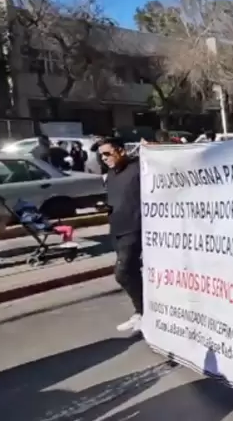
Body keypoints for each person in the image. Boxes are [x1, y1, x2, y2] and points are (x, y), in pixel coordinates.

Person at [99, 138, 144, 332]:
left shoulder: (138, 167)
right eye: (101, 155)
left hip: (134, 228)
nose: (104, 158)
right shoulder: (110, 174)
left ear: (121, 151)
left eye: (107, 154)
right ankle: (143, 311)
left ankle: (142, 312)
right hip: (117, 229)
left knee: (123, 273)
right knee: (132, 272)